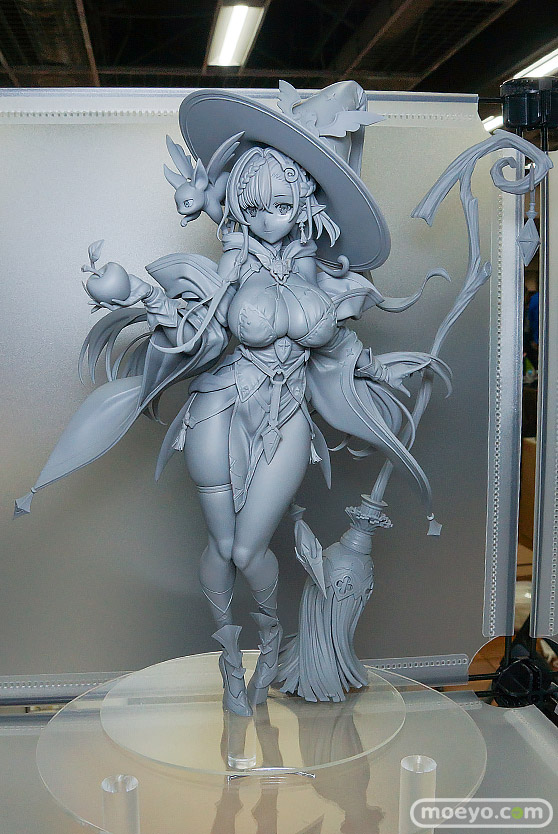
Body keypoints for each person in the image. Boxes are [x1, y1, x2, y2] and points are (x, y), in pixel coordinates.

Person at [15, 82, 446, 715]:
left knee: (247, 548)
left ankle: (268, 642)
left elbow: (334, 345)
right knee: (223, 546)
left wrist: (376, 368)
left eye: (280, 203)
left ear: (304, 201)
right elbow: (201, 328)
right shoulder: (232, 263)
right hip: (219, 406)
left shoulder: (321, 271)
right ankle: (228, 661)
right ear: (239, 203)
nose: (267, 216)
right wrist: (140, 296)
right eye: (253, 203)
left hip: (286, 414)